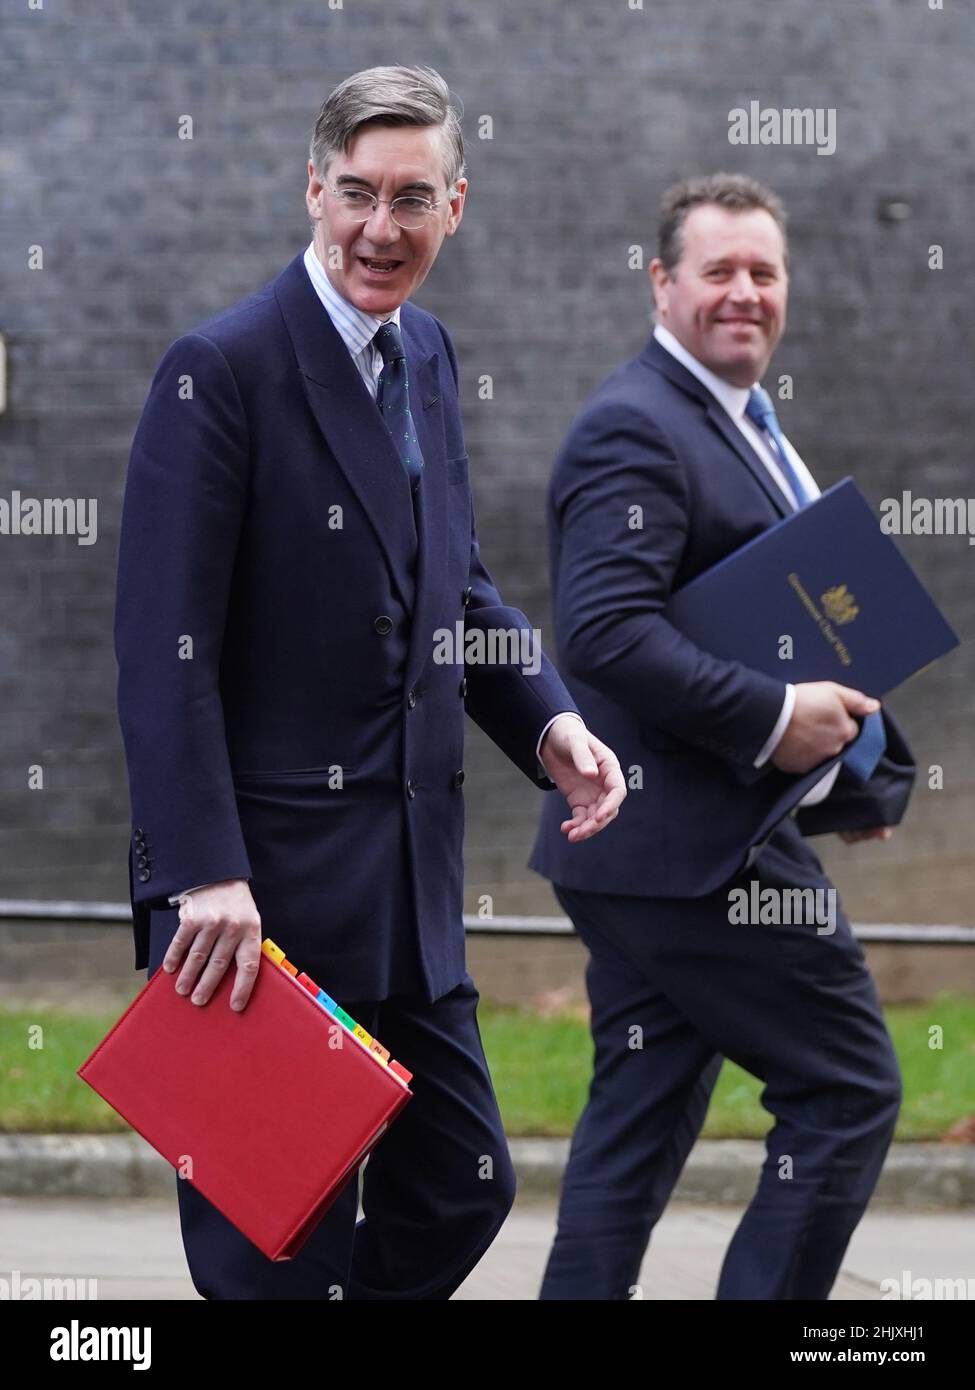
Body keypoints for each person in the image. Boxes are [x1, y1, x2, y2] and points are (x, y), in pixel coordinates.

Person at [114, 64, 625, 1301]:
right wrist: (202, 873)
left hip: (408, 895)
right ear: (312, 190)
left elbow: (455, 589)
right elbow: (157, 645)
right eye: (355, 194)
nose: (379, 229)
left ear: (459, 203)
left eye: (412, 198)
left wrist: (548, 719)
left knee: (466, 1180)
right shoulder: (220, 370)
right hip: (255, 912)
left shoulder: (430, 355)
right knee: (273, 1250)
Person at [529, 172, 915, 1300]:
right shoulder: (634, 427)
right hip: (694, 855)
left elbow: (767, 621)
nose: (744, 292)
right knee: (848, 1088)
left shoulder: (732, 421)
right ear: (662, 284)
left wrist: (848, 774)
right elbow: (603, 633)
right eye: (718, 271)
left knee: (638, 1117)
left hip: (660, 848)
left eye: (764, 271)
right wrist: (776, 718)